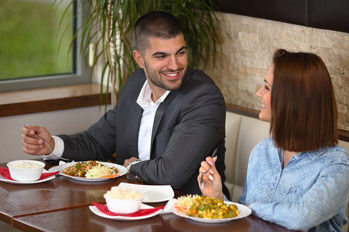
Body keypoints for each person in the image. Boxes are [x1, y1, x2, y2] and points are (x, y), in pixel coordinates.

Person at [21, 11, 230, 197]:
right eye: (161, 56)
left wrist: (134, 167)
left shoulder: (204, 98)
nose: (175, 65)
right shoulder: (135, 84)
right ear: (139, 60)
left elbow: (171, 173)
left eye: (180, 53)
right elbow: (97, 142)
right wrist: (51, 145)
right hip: (127, 205)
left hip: (186, 215)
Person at [198, 49, 349, 231]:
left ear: (291, 99)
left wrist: (250, 209)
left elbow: (301, 217)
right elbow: (244, 222)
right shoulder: (262, 151)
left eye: (267, 87)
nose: (259, 93)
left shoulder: (338, 165)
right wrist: (217, 197)